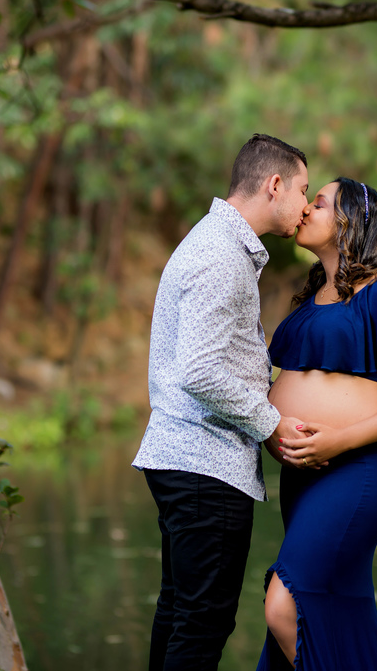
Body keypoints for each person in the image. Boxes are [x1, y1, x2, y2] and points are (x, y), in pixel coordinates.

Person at [133, 133, 312, 671]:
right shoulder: (220, 254)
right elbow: (201, 369)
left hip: (188, 460)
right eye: (303, 190)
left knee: (183, 612)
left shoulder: (219, 244)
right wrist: (272, 424)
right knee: (203, 620)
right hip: (203, 464)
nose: (305, 206)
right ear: (274, 185)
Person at [257, 177, 377, 670]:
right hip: (305, 477)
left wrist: (339, 440)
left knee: (285, 605)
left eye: (317, 202)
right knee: (331, 606)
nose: (304, 209)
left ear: (350, 222)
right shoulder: (309, 298)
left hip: (361, 469)